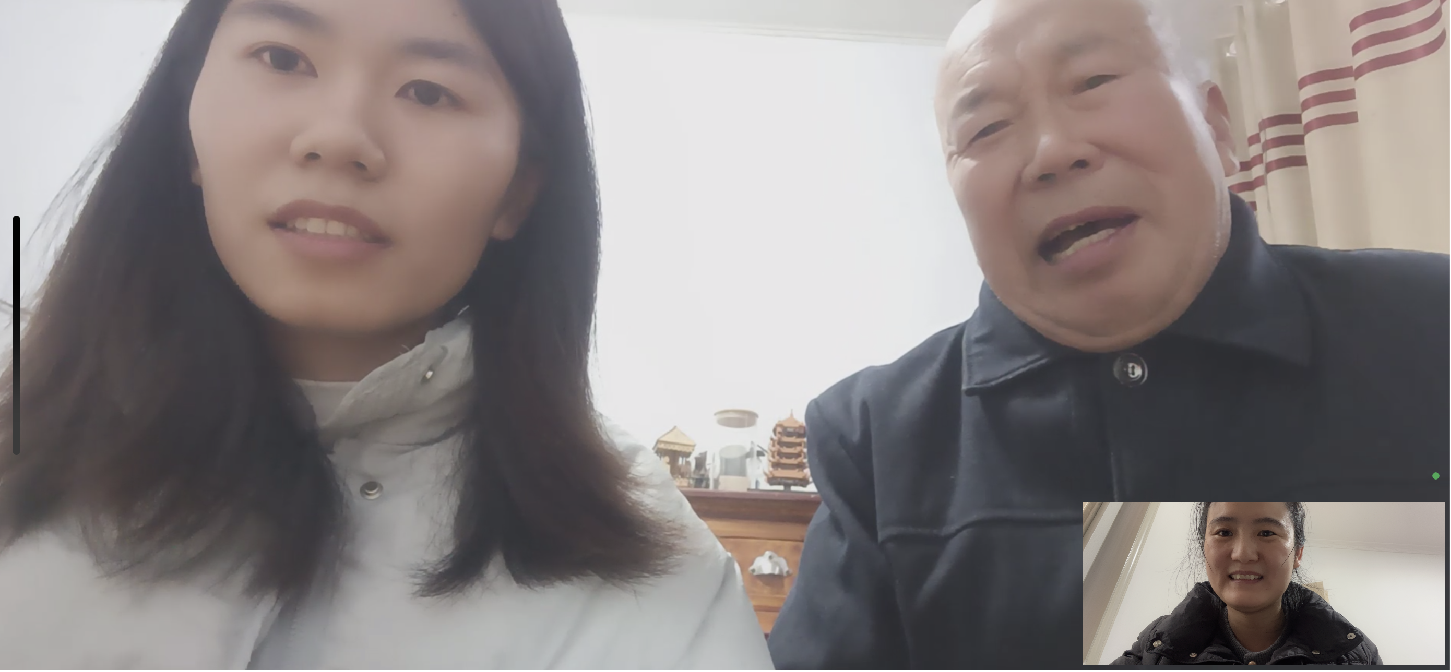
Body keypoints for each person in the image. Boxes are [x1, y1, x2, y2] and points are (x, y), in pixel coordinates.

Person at [0, 1, 772, 668]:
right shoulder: (19, 437)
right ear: (185, 121)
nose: (339, 137)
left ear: (518, 189)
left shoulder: (653, 573)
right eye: (282, 58)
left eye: (428, 91)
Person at [767, 0, 1447, 668]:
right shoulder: (874, 438)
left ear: (1215, 123)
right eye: (986, 128)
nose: (1052, 152)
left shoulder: (1428, 327)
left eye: (1093, 81)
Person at [1112, 502, 1381, 665]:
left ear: (1297, 553)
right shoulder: (1156, 647)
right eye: (1224, 532)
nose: (1243, 554)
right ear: (1204, 549)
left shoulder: (1357, 655)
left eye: (1266, 532)